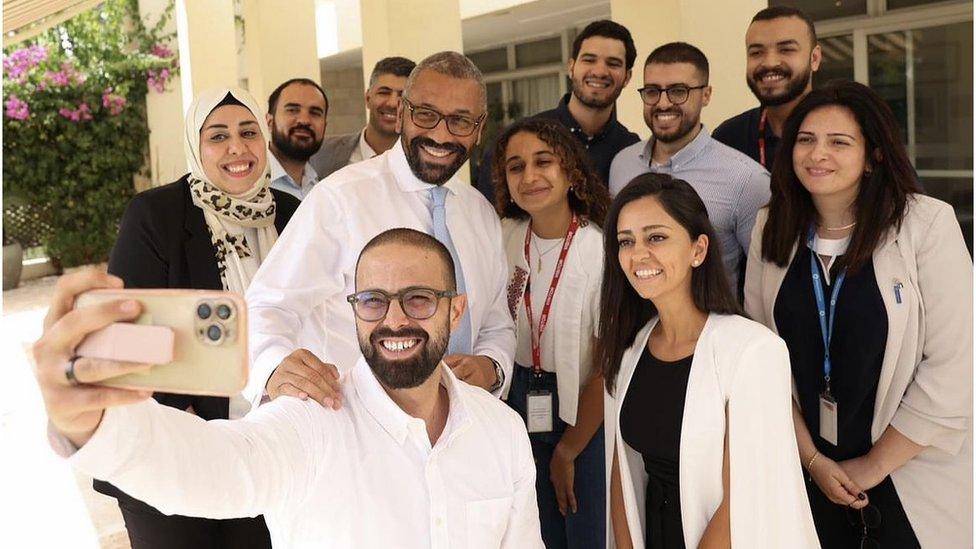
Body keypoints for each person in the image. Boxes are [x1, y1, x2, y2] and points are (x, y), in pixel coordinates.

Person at [36, 229, 545, 548]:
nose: (393, 320)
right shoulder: (312, 419)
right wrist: (91, 421)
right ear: (353, 309)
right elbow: (213, 466)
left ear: (455, 310)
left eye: (417, 299)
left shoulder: (500, 429)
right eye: (372, 300)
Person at [744, 80, 972, 549]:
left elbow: (957, 365)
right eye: (805, 139)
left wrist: (869, 468)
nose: (816, 153)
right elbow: (761, 360)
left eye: (839, 141)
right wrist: (813, 461)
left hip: (910, 476)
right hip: (808, 476)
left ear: (874, 155)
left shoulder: (925, 225)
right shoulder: (773, 227)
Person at [244, 51, 515, 411]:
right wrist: (274, 366)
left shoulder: (480, 213)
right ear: (402, 113)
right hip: (355, 431)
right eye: (426, 114)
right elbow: (267, 303)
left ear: (480, 128)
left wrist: (492, 367)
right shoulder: (340, 198)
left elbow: (497, 321)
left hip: (459, 427)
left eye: (460, 121)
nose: (440, 133)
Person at [102, 87, 301, 548]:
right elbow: (128, 329)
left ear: (264, 139)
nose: (237, 147)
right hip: (174, 442)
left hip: (268, 444)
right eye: (218, 136)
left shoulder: (291, 214)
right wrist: (184, 421)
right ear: (196, 144)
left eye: (248, 131)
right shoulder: (158, 215)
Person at [599, 173, 818, 548]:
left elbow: (745, 500)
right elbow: (623, 474)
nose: (638, 254)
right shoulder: (631, 347)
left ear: (698, 250)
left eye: (656, 237)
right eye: (626, 241)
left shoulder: (753, 351)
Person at [492, 118, 610, 548]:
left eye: (544, 162)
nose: (530, 176)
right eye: (515, 167)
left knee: (583, 530)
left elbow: (606, 364)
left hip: (583, 409)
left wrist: (569, 449)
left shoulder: (598, 248)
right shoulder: (504, 237)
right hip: (515, 401)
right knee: (531, 532)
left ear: (570, 171)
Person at [608, 42, 769, 292]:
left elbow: (765, 282)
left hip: (712, 326)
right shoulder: (622, 164)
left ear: (706, 95)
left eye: (678, 91)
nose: (663, 103)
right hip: (634, 325)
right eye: (652, 91)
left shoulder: (747, 180)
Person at [476, 20, 640, 201]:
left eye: (613, 63)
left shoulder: (631, 150)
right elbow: (487, 219)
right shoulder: (519, 139)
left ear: (627, 77)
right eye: (589, 60)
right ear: (571, 67)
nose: (600, 71)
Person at [712, 6, 821, 169]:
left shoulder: (847, 130)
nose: (770, 62)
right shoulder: (729, 138)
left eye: (786, 50)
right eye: (756, 53)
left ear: (814, 58)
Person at [310, 56, 415, 179]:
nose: (392, 103)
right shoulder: (322, 153)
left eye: (402, 96)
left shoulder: (423, 159)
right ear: (368, 98)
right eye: (384, 92)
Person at [265, 78, 328, 200]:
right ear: (269, 122)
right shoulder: (250, 186)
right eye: (293, 110)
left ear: (325, 125)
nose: (304, 120)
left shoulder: (324, 188)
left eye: (315, 113)